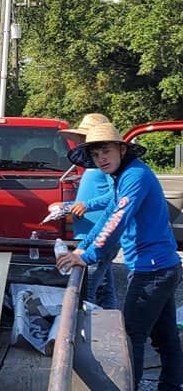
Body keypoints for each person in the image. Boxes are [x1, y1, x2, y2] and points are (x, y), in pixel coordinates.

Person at [57, 122, 182, 391]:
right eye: (96, 153)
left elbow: (118, 219)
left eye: (106, 151)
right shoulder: (121, 178)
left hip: (152, 269)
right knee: (165, 338)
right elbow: (109, 215)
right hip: (158, 266)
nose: (101, 158)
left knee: (131, 337)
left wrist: (86, 256)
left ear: (122, 149)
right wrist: (83, 248)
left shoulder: (135, 176)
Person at [60, 113, 119, 309]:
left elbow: (117, 195)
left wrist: (87, 204)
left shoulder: (106, 165)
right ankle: (111, 323)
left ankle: (92, 331)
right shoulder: (95, 164)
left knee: (88, 288)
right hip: (94, 232)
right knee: (103, 286)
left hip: (98, 233)